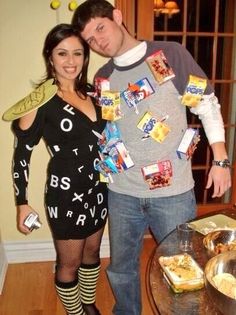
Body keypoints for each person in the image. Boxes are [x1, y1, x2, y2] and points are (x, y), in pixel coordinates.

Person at [72, 1, 232, 315]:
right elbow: (113, 128)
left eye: (100, 28)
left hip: (171, 194)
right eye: (90, 39)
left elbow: (207, 104)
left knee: (182, 268)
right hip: (122, 194)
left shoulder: (170, 54)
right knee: (121, 268)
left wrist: (221, 159)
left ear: (117, 17)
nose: (98, 41)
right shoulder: (103, 77)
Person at [11, 23, 108, 315]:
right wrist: (21, 203)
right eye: (62, 53)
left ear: (85, 57)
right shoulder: (40, 102)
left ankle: (88, 303)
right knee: (69, 263)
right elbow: (21, 156)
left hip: (99, 188)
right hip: (65, 196)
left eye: (77, 53)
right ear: (49, 57)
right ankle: (74, 312)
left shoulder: (94, 92)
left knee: (92, 253)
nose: (71, 61)